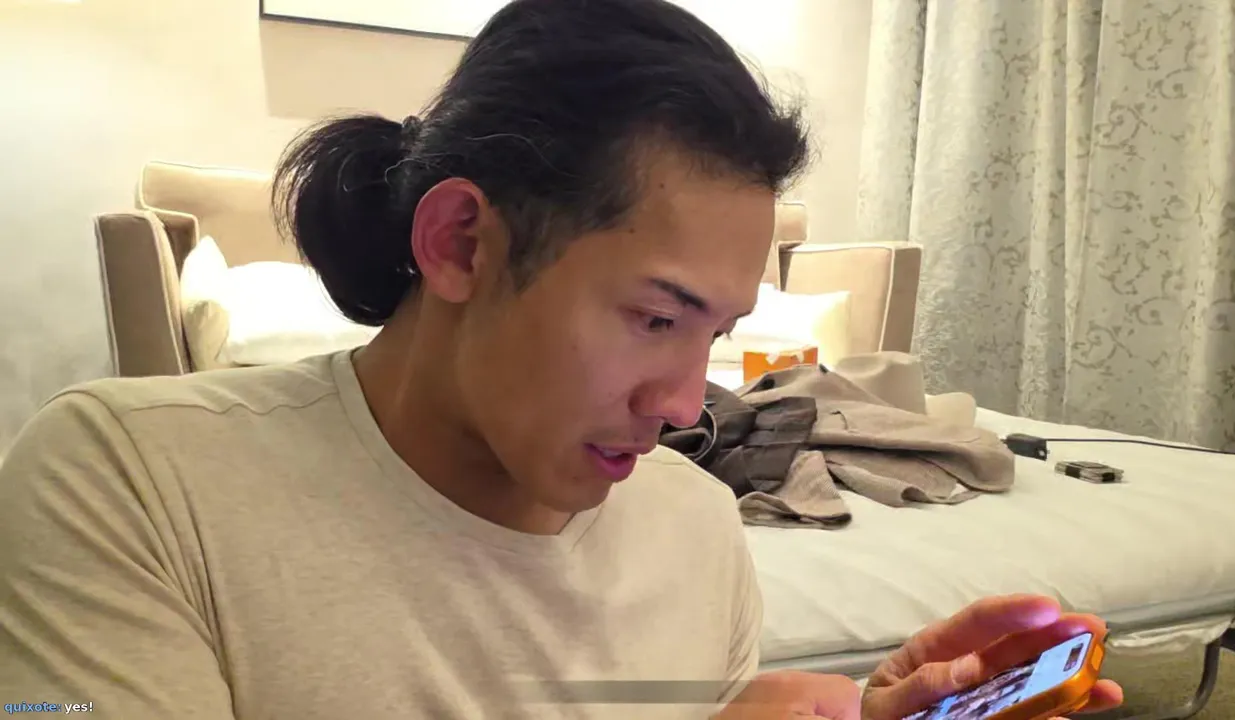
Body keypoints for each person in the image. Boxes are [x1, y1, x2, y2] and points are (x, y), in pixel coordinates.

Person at [0, 0, 1124, 717]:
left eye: (715, 335)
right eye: (654, 318)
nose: (684, 407)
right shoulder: (128, 482)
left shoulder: (693, 525)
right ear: (460, 243)